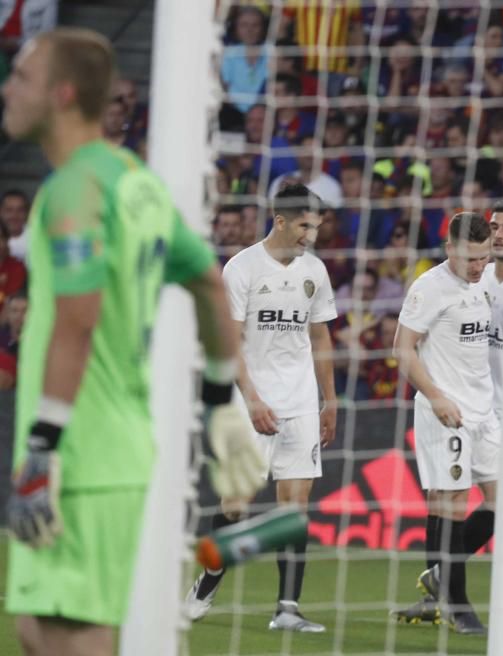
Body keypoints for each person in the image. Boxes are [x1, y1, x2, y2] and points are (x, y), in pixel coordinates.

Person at [1, 27, 264, 656]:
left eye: (23, 77)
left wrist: (43, 449)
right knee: (39, 629)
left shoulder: (73, 190)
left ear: (62, 94)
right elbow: (204, 280)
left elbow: (78, 319)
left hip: (80, 455)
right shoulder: (133, 180)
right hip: (106, 447)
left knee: (74, 637)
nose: (9, 88)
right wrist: (220, 400)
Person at [184, 184, 339, 632]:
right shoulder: (242, 269)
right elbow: (228, 342)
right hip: (250, 399)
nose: (311, 235)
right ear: (281, 220)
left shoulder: (315, 270)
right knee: (235, 505)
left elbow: (321, 337)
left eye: (317, 226)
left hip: (301, 401)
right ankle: (209, 580)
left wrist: (329, 400)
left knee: (296, 506)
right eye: (305, 225)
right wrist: (251, 399)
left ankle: (287, 609)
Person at [392, 212, 496, 635]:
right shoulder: (429, 288)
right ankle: (457, 604)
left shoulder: (484, 283)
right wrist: (436, 397)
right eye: (471, 258)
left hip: (484, 411)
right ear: (449, 248)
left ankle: (438, 576)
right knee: (450, 501)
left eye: (484, 258)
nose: (478, 267)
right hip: (445, 411)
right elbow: (403, 349)